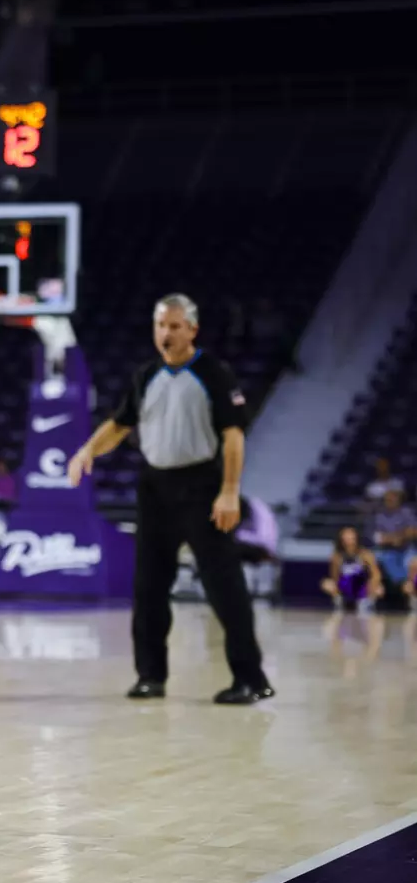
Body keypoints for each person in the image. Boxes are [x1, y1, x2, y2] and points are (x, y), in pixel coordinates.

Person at [69, 293, 273, 704]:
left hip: (202, 486)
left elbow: (233, 437)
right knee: (148, 587)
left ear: (193, 330)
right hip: (155, 488)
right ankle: (151, 676)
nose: (167, 333)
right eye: (161, 325)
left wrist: (229, 492)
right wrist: (87, 450)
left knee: (224, 587)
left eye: (175, 326)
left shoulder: (213, 373)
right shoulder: (146, 376)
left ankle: (251, 679)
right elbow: (120, 424)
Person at [322, 526, 382, 650]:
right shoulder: (336, 557)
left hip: (362, 589)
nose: (349, 540)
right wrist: (338, 589)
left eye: (351, 537)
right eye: (346, 537)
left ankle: (365, 605)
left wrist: (371, 587)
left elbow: (376, 574)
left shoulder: (365, 555)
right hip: (345, 589)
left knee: (379, 588)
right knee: (326, 583)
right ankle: (341, 605)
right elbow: (335, 577)